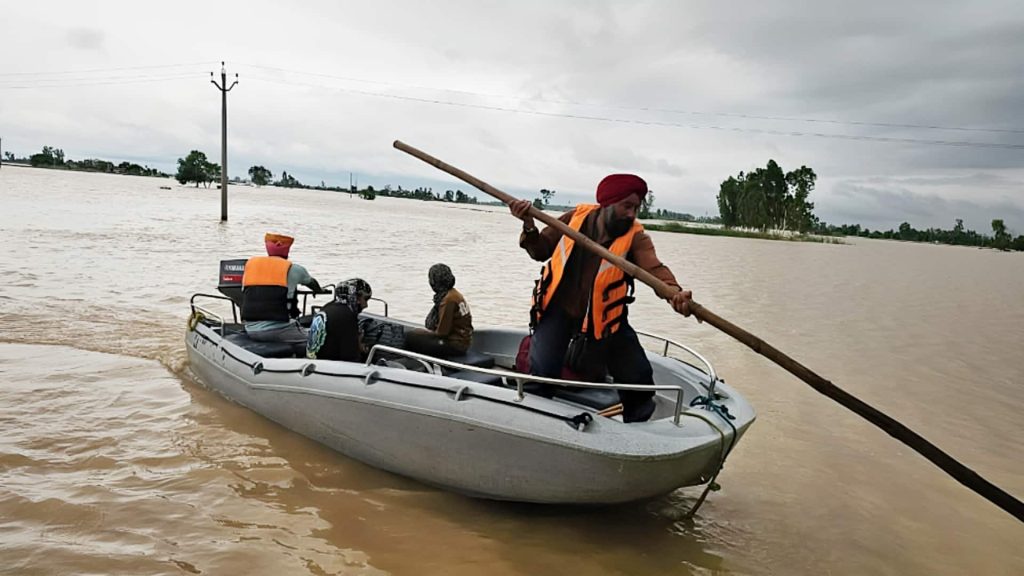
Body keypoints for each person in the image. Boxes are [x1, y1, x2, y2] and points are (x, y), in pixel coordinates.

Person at [509, 174, 694, 423]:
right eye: (626, 206)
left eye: (636, 208)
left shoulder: (635, 236)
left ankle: (638, 427)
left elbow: (655, 269)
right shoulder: (575, 218)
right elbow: (540, 250)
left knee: (638, 377)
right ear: (607, 203)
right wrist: (529, 225)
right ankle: (534, 422)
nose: (631, 214)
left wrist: (675, 293)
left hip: (605, 317)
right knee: (542, 372)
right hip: (559, 310)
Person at [241, 232, 323, 344]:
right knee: (321, 340)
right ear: (287, 250)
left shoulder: (250, 265)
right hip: (280, 330)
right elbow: (312, 283)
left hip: (250, 329)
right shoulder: (295, 269)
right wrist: (319, 290)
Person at [405, 263, 474, 357]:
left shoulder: (448, 300)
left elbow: (442, 332)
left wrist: (420, 332)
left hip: (456, 345)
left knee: (409, 336)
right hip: (463, 341)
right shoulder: (454, 293)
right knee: (416, 333)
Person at [306, 278, 373, 362]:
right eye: (365, 299)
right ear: (356, 297)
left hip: (315, 361)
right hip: (330, 365)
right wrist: (360, 347)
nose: (365, 305)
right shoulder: (346, 316)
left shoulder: (327, 307)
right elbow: (351, 357)